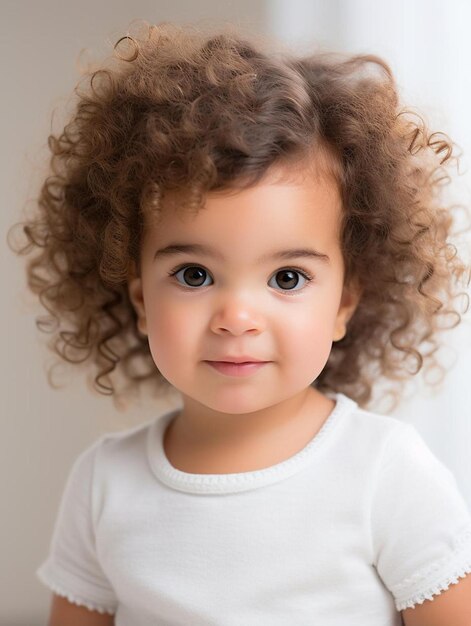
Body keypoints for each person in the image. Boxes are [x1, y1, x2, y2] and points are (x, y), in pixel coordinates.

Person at [11, 20, 471, 626]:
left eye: (287, 278)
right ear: (141, 299)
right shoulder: (104, 483)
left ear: (344, 304)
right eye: (194, 275)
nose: (236, 318)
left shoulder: (386, 475)